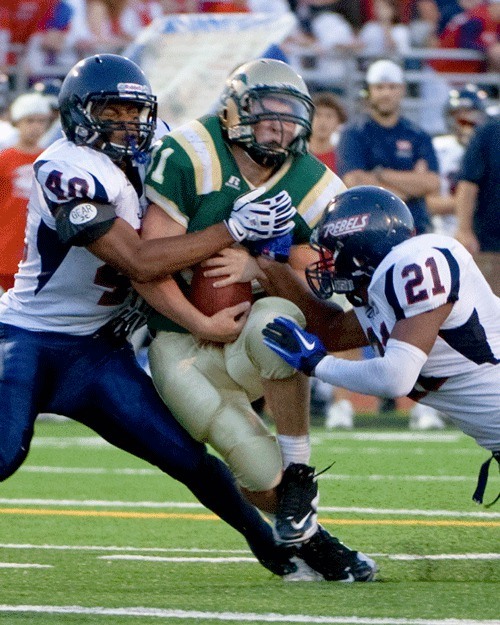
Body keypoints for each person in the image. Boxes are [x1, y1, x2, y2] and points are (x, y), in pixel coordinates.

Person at [0, 53, 306, 580]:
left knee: (186, 458)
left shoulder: (162, 146)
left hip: (97, 352)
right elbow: (136, 260)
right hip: (27, 338)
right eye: (111, 112)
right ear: (77, 114)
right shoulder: (64, 167)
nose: (126, 124)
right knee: (5, 454)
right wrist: (233, 228)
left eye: (133, 112)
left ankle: (283, 549)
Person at [139, 58, 377, 581]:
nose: (279, 124)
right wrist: (203, 315)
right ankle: (309, 537)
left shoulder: (314, 185)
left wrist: (262, 267)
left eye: (291, 114)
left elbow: (324, 311)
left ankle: (300, 471)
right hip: (180, 339)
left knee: (280, 324)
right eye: (266, 111)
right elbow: (145, 266)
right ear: (231, 112)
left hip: (249, 333)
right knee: (254, 473)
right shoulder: (191, 153)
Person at [260, 185, 500, 507]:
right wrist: (267, 266)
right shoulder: (386, 286)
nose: (326, 264)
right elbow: (330, 331)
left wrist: (317, 365)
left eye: (332, 252)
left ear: (360, 247)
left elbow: (395, 378)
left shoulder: (416, 265)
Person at [337, 58, 445, 428]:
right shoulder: (354, 133)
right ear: (370, 91)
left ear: (401, 90)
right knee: (361, 318)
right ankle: (344, 404)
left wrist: (380, 175)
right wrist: (405, 182)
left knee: (419, 319)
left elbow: (432, 183)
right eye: (379, 86)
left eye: (392, 86)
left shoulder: (418, 133)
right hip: (367, 245)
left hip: (414, 237)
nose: (386, 92)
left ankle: (423, 403)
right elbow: (354, 181)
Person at [0, 92, 52, 293]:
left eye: (41, 121)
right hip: (6, 244)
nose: (36, 127)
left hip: (36, 244)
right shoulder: (5, 159)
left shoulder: (48, 159)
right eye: (29, 120)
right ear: (17, 122)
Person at [428, 84, 488, 239]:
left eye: (470, 115)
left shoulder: (490, 147)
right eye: (458, 115)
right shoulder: (437, 147)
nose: (464, 123)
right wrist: (469, 203)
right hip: (442, 233)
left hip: (484, 236)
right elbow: (428, 203)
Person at [455, 115, 500, 297]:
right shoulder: (489, 132)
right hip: (491, 244)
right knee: (491, 306)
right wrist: (464, 230)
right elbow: (468, 183)